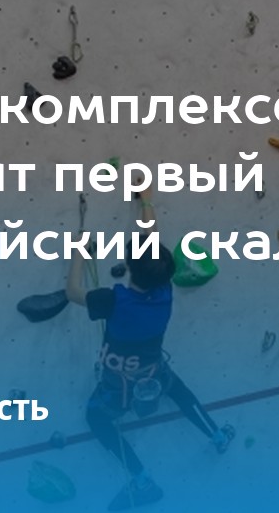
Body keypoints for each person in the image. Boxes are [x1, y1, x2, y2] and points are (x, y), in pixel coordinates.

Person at [66, 186, 233, 510]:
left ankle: (142, 479)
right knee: (178, 390)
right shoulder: (164, 292)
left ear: (128, 266)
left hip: (118, 382)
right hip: (153, 369)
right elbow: (152, 237)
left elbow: (72, 291)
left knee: (95, 417)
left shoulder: (112, 300)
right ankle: (218, 435)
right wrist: (146, 201)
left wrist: (79, 252)